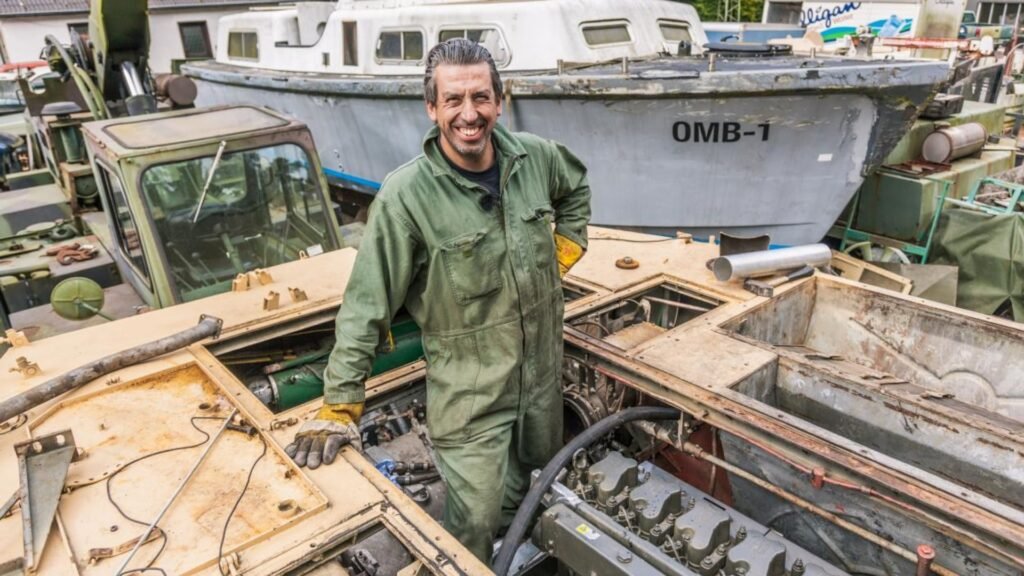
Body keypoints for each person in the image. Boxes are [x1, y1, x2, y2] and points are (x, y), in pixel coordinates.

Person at [285, 38, 592, 563]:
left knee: (535, 491)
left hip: (541, 385)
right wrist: (339, 405)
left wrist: (565, 247)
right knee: (472, 524)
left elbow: (576, 186)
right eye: (453, 100)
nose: (469, 114)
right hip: (471, 401)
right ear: (432, 108)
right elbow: (366, 306)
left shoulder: (537, 158)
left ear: (500, 101)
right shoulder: (406, 196)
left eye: (480, 97)